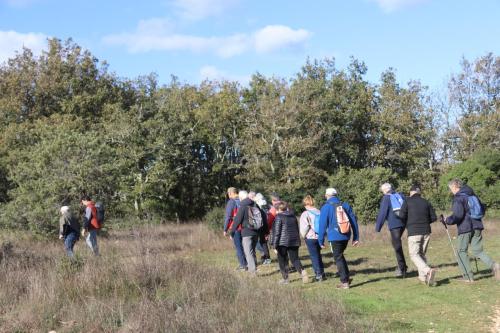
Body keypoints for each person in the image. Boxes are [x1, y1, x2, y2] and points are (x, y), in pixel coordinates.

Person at [445, 179, 500, 282]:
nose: (451, 191)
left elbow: (458, 215)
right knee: (478, 250)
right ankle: (495, 265)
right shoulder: (472, 195)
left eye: (450, 188)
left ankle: (468, 277)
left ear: (455, 187)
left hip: (465, 228)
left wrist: (447, 220)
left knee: (461, 251)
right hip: (478, 226)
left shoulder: (458, 198)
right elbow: (482, 208)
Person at [318, 188, 359, 289]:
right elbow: (354, 221)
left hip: (334, 236)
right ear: (336, 195)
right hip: (346, 235)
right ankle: (346, 277)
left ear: (327, 195)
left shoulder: (326, 207)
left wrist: (320, 240)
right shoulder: (345, 205)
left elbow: (322, 225)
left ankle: (344, 282)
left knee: (338, 258)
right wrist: (356, 237)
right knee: (340, 256)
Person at [399, 185, 437, 286]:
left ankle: (428, 271)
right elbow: (434, 218)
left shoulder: (407, 201)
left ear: (410, 192)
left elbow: (401, 216)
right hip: (426, 232)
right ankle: (423, 277)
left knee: (414, 255)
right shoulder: (426, 202)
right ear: (419, 192)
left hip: (414, 232)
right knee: (421, 255)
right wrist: (424, 221)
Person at [271, 202, 309, 285]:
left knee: (282, 260)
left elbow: (277, 233)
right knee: (295, 259)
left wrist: (274, 245)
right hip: (294, 241)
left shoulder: (278, 217)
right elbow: (296, 229)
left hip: (282, 242)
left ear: (278, 209)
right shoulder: (293, 216)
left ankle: (285, 279)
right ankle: (302, 271)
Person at [375, 183, 408, 277]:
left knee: (397, 246)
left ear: (385, 191)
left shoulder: (386, 198)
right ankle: (403, 267)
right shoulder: (400, 195)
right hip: (403, 223)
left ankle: (402, 269)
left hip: (394, 225)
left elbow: (382, 213)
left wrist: (378, 227)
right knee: (397, 245)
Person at [231, 190, 266, 276]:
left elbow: (237, 220)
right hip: (256, 232)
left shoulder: (242, 207)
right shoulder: (255, 205)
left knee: (248, 253)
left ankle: (253, 272)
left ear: (241, 198)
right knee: (252, 251)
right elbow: (263, 217)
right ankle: (254, 269)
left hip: (247, 233)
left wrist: (232, 232)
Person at [299, 195, 325, 282]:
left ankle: (318, 275)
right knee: (318, 255)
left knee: (314, 256)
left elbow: (304, 227)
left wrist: (303, 236)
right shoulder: (319, 211)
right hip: (320, 236)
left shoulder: (305, 213)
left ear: (305, 204)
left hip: (310, 237)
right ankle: (322, 273)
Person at [223, 187, 247, 271]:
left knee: (238, 246)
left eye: (228, 194)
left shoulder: (231, 202)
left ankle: (243, 265)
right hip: (245, 226)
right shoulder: (243, 200)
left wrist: (225, 229)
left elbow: (228, 217)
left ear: (230, 193)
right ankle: (248, 262)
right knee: (245, 246)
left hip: (236, 227)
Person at [254, 193, 272, 265]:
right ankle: (265, 256)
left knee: (262, 243)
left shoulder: (260, 206)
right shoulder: (265, 205)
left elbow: (264, 217)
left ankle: (266, 257)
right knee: (261, 243)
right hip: (263, 226)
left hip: (261, 226)